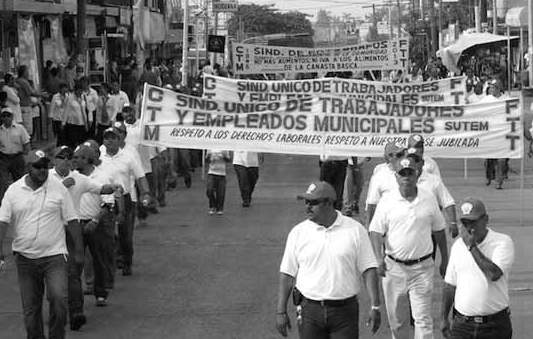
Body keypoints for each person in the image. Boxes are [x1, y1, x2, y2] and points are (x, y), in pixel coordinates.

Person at [276, 181, 381, 338]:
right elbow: (287, 275)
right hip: (309, 311)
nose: (307, 207)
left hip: (345, 313)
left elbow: (368, 269)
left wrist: (375, 306)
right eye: (306, 202)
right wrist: (281, 311)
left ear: (328, 203)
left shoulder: (355, 230)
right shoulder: (298, 233)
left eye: (313, 202)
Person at [0, 149, 83, 339]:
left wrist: (78, 251)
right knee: (31, 311)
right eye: (37, 167)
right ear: (28, 167)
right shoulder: (13, 191)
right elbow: (3, 221)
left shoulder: (58, 188)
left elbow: (72, 219)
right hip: (25, 259)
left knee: (59, 300)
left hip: (54, 256)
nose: (42, 171)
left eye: (45, 166)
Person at [369, 156, 448, 339]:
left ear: (417, 174)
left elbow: (439, 230)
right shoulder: (387, 201)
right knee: (396, 321)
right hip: (393, 268)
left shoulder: (428, 198)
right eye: (402, 173)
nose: (406, 177)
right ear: (396, 176)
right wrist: (378, 259)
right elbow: (375, 232)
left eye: (410, 173)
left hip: (422, 268)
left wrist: (445, 259)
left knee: (423, 319)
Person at [49, 145, 119, 330]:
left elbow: (100, 188)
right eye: (61, 157)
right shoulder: (45, 177)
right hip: (50, 232)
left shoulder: (79, 179)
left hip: (72, 231)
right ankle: (55, 310)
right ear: (54, 159)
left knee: (73, 273)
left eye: (68, 156)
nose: (65, 160)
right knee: (51, 273)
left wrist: (112, 187)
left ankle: (76, 313)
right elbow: (35, 197)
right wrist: (61, 187)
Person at [441, 198, 514, 339]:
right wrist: (443, 318)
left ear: (486, 219)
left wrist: (472, 247)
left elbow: (493, 274)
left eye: (473, 222)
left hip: (494, 326)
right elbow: (450, 285)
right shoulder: (458, 246)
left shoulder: (502, 242)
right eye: (465, 223)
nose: (470, 228)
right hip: (462, 325)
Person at [100, 125, 151, 276]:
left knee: (125, 235)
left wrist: (145, 193)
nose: (109, 141)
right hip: (106, 200)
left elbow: (140, 176)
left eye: (112, 137)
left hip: (126, 200)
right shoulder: (98, 157)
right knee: (107, 235)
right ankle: (113, 261)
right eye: (106, 137)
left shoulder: (128, 157)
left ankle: (127, 260)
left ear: (119, 140)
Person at [0, 107, 31, 200]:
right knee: (3, 182)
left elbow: (26, 143)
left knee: (19, 180)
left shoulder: (20, 128)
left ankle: (22, 199)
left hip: (17, 157)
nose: (6, 118)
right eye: (4, 116)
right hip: (4, 158)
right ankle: (5, 201)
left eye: (8, 115)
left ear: (12, 116)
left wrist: (26, 156)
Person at [15, 65, 42, 136]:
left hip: (21, 106)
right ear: (23, 72)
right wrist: (41, 94)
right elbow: (30, 92)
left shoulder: (18, 81)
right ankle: (28, 145)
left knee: (24, 127)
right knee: (28, 128)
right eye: (27, 71)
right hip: (25, 106)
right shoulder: (23, 81)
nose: (28, 73)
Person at [63, 81, 88, 148]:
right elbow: (66, 110)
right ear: (75, 90)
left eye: (81, 91)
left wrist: (86, 123)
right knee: (73, 142)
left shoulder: (83, 97)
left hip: (82, 123)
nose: (80, 92)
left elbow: (85, 110)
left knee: (81, 142)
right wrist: (63, 122)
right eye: (79, 90)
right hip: (73, 123)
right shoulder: (70, 98)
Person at [206, 149, 231, 215]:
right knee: (209, 190)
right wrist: (210, 157)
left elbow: (228, 160)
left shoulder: (224, 148)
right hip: (211, 172)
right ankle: (213, 205)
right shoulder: (210, 148)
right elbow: (207, 160)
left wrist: (223, 156)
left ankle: (220, 208)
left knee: (221, 193)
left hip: (222, 173)